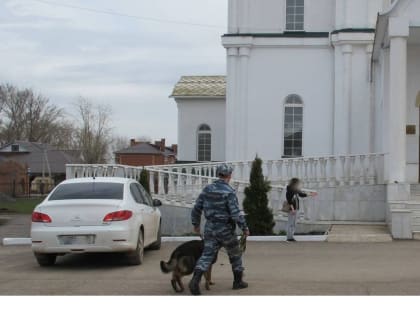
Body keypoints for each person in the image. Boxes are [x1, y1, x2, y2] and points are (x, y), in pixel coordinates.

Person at [189, 164, 250, 296]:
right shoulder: (229, 192)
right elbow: (235, 213)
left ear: (218, 174)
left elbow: (196, 209)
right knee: (235, 254)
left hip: (210, 228)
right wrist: (244, 228)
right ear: (229, 175)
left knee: (206, 255)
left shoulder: (207, 189)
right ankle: (238, 281)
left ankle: (195, 281)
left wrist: (196, 224)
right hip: (226, 229)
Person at [286, 178, 317, 242]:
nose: (299, 185)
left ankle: (291, 237)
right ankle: (289, 238)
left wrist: (311, 194)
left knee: (294, 223)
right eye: (298, 183)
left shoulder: (295, 190)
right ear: (294, 183)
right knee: (290, 223)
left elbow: (302, 195)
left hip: (296, 209)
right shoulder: (289, 191)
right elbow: (289, 201)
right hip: (292, 210)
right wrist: (292, 209)